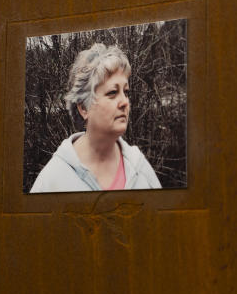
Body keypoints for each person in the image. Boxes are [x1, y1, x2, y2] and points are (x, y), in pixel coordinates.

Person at [29, 43, 162, 192]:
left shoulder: (139, 167)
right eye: (112, 92)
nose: (125, 102)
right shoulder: (52, 180)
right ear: (84, 108)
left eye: (126, 92)